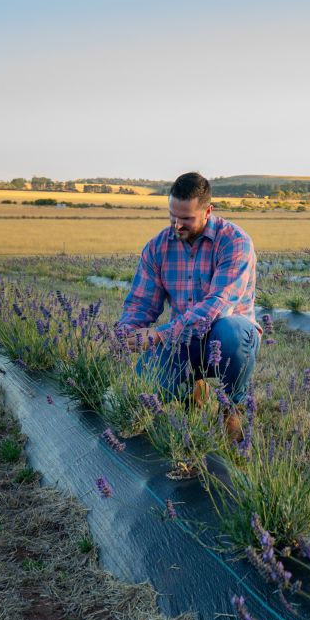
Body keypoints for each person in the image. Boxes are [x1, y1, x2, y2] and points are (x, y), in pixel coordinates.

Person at [117, 171, 261, 441]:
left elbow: (217, 306)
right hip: (182, 341)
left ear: (208, 211)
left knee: (230, 332)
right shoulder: (157, 247)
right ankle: (193, 390)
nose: (177, 225)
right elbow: (141, 302)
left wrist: (159, 334)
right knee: (143, 386)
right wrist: (128, 332)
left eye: (186, 219)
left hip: (227, 336)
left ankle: (232, 407)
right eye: (172, 216)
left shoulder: (235, 242)